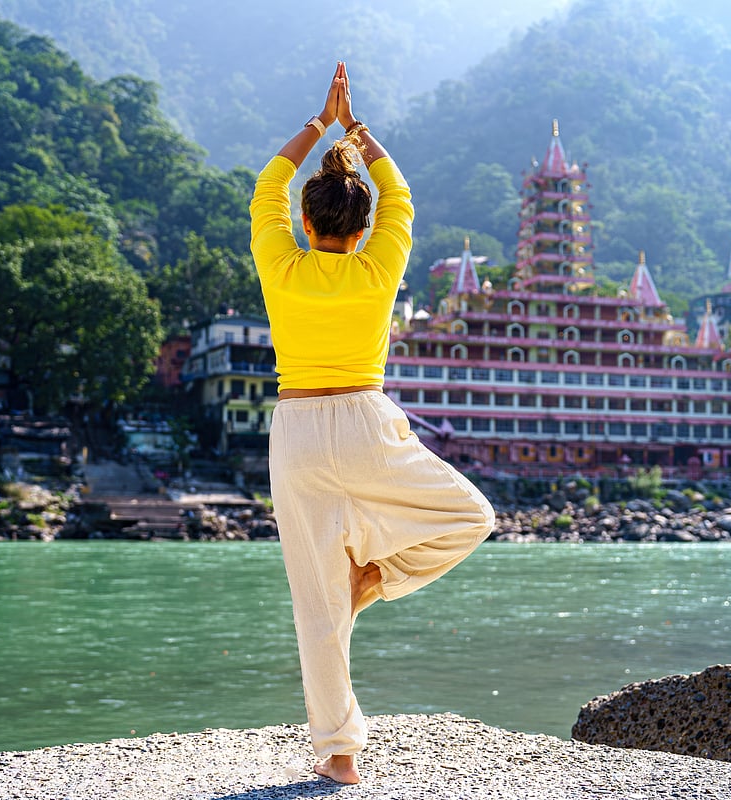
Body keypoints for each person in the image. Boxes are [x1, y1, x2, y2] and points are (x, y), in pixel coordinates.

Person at [249, 62, 495, 785]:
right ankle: (377, 577)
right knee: (469, 517)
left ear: (304, 220)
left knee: (315, 606)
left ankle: (340, 754)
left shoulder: (279, 263)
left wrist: (317, 127)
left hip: (295, 432)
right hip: (364, 419)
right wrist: (356, 130)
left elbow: (266, 186)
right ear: (362, 229)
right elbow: (401, 194)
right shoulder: (379, 267)